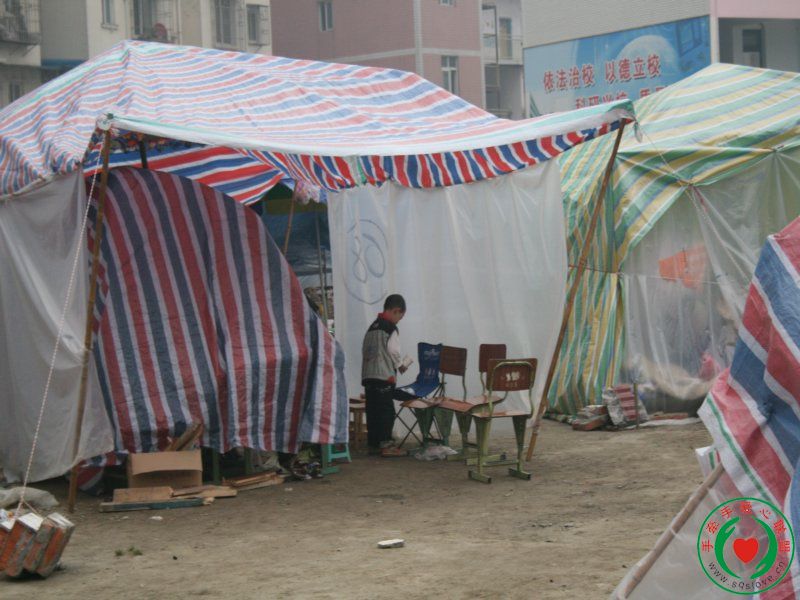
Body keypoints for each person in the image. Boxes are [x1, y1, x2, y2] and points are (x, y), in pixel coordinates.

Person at [362, 294, 408, 457]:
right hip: (383, 376)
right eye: (400, 317)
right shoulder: (390, 328)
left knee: (372, 410)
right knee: (386, 411)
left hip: (368, 375)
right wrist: (400, 365)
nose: (399, 321)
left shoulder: (372, 327)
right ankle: (387, 445)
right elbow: (393, 350)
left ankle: (374, 444)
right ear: (396, 311)